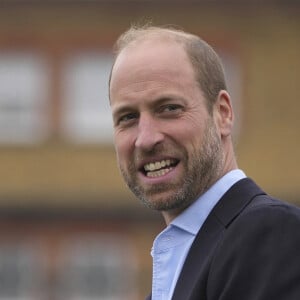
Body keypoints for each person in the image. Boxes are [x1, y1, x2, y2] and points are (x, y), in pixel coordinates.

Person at [108, 24, 300, 300]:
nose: (145, 139)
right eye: (127, 117)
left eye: (169, 108)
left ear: (222, 114)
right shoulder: (179, 266)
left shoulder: (270, 234)